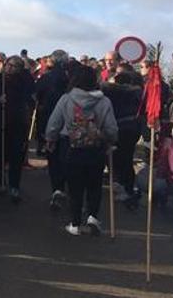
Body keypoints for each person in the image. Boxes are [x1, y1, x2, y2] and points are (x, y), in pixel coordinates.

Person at [46, 64, 118, 235]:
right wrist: (110, 140)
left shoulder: (66, 99)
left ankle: (75, 223)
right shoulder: (104, 101)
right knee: (94, 184)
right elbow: (111, 128)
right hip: (96, 147)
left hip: (70, 146)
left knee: (74, 186)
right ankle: (93, 216)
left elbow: (54, 123)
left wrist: (50, 139)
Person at [0, 56, 35, 203]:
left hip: (18, 123)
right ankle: (0, 181)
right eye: (9, 65)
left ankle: (14, 185)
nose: (10, 68)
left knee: (16, 156)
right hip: (1, 122)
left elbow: (29, 97)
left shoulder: (24, 80)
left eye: (14, 66)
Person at [101, 70, 144, 209]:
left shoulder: (112, 91)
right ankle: (128, 187)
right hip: (132, 128)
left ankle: (125, 187)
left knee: (117, 157)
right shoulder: (137, 92)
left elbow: (103, 87)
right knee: (127, 158)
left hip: (118, 127)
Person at [35, 50, 70, 209]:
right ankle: (65, 186)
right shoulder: (70, 77)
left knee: (53, 155)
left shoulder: (47, 77)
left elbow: (36, 95)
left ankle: (57, 188)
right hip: (69, 122)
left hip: (48, 118)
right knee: (66, 156)